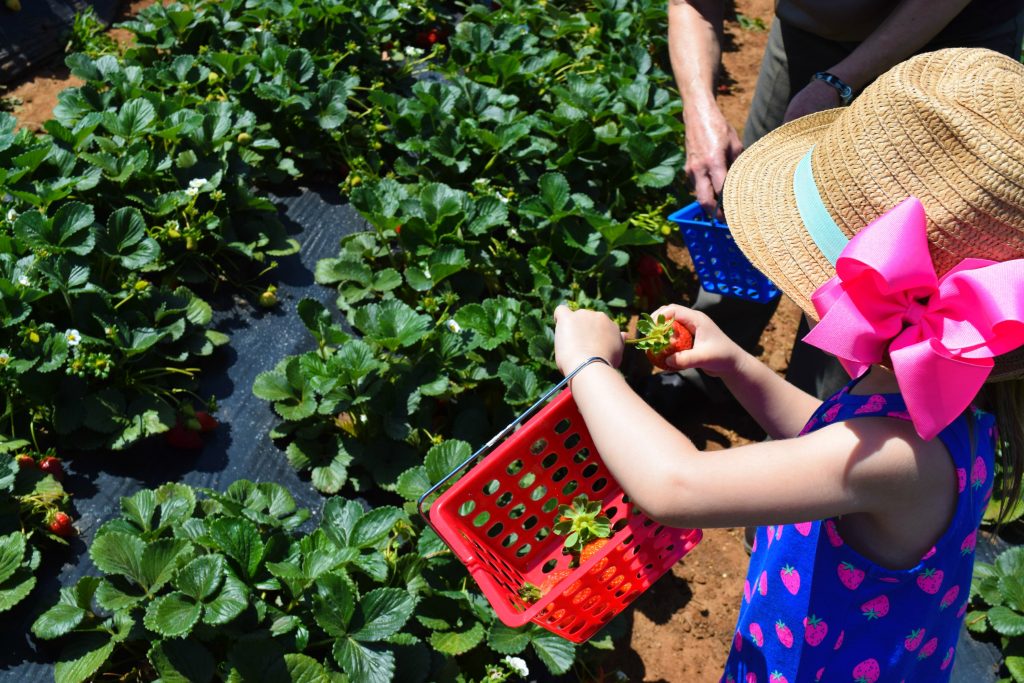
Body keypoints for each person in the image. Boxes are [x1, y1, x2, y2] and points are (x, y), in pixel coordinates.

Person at [554, 48, 1024, 681]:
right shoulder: (945, 411)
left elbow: (675, 485)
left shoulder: (901, 456)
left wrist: (589, 363)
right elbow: (832, 435)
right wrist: (739, 367)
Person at [666, 0, 1024, 402]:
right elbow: (691, 4)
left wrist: (837, 81)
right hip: (810, 33)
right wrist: (698, 111)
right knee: (760, 208)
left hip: (944, 61)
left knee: (884, 286)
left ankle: (825, 414)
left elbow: (673, 472)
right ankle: (707, 373)